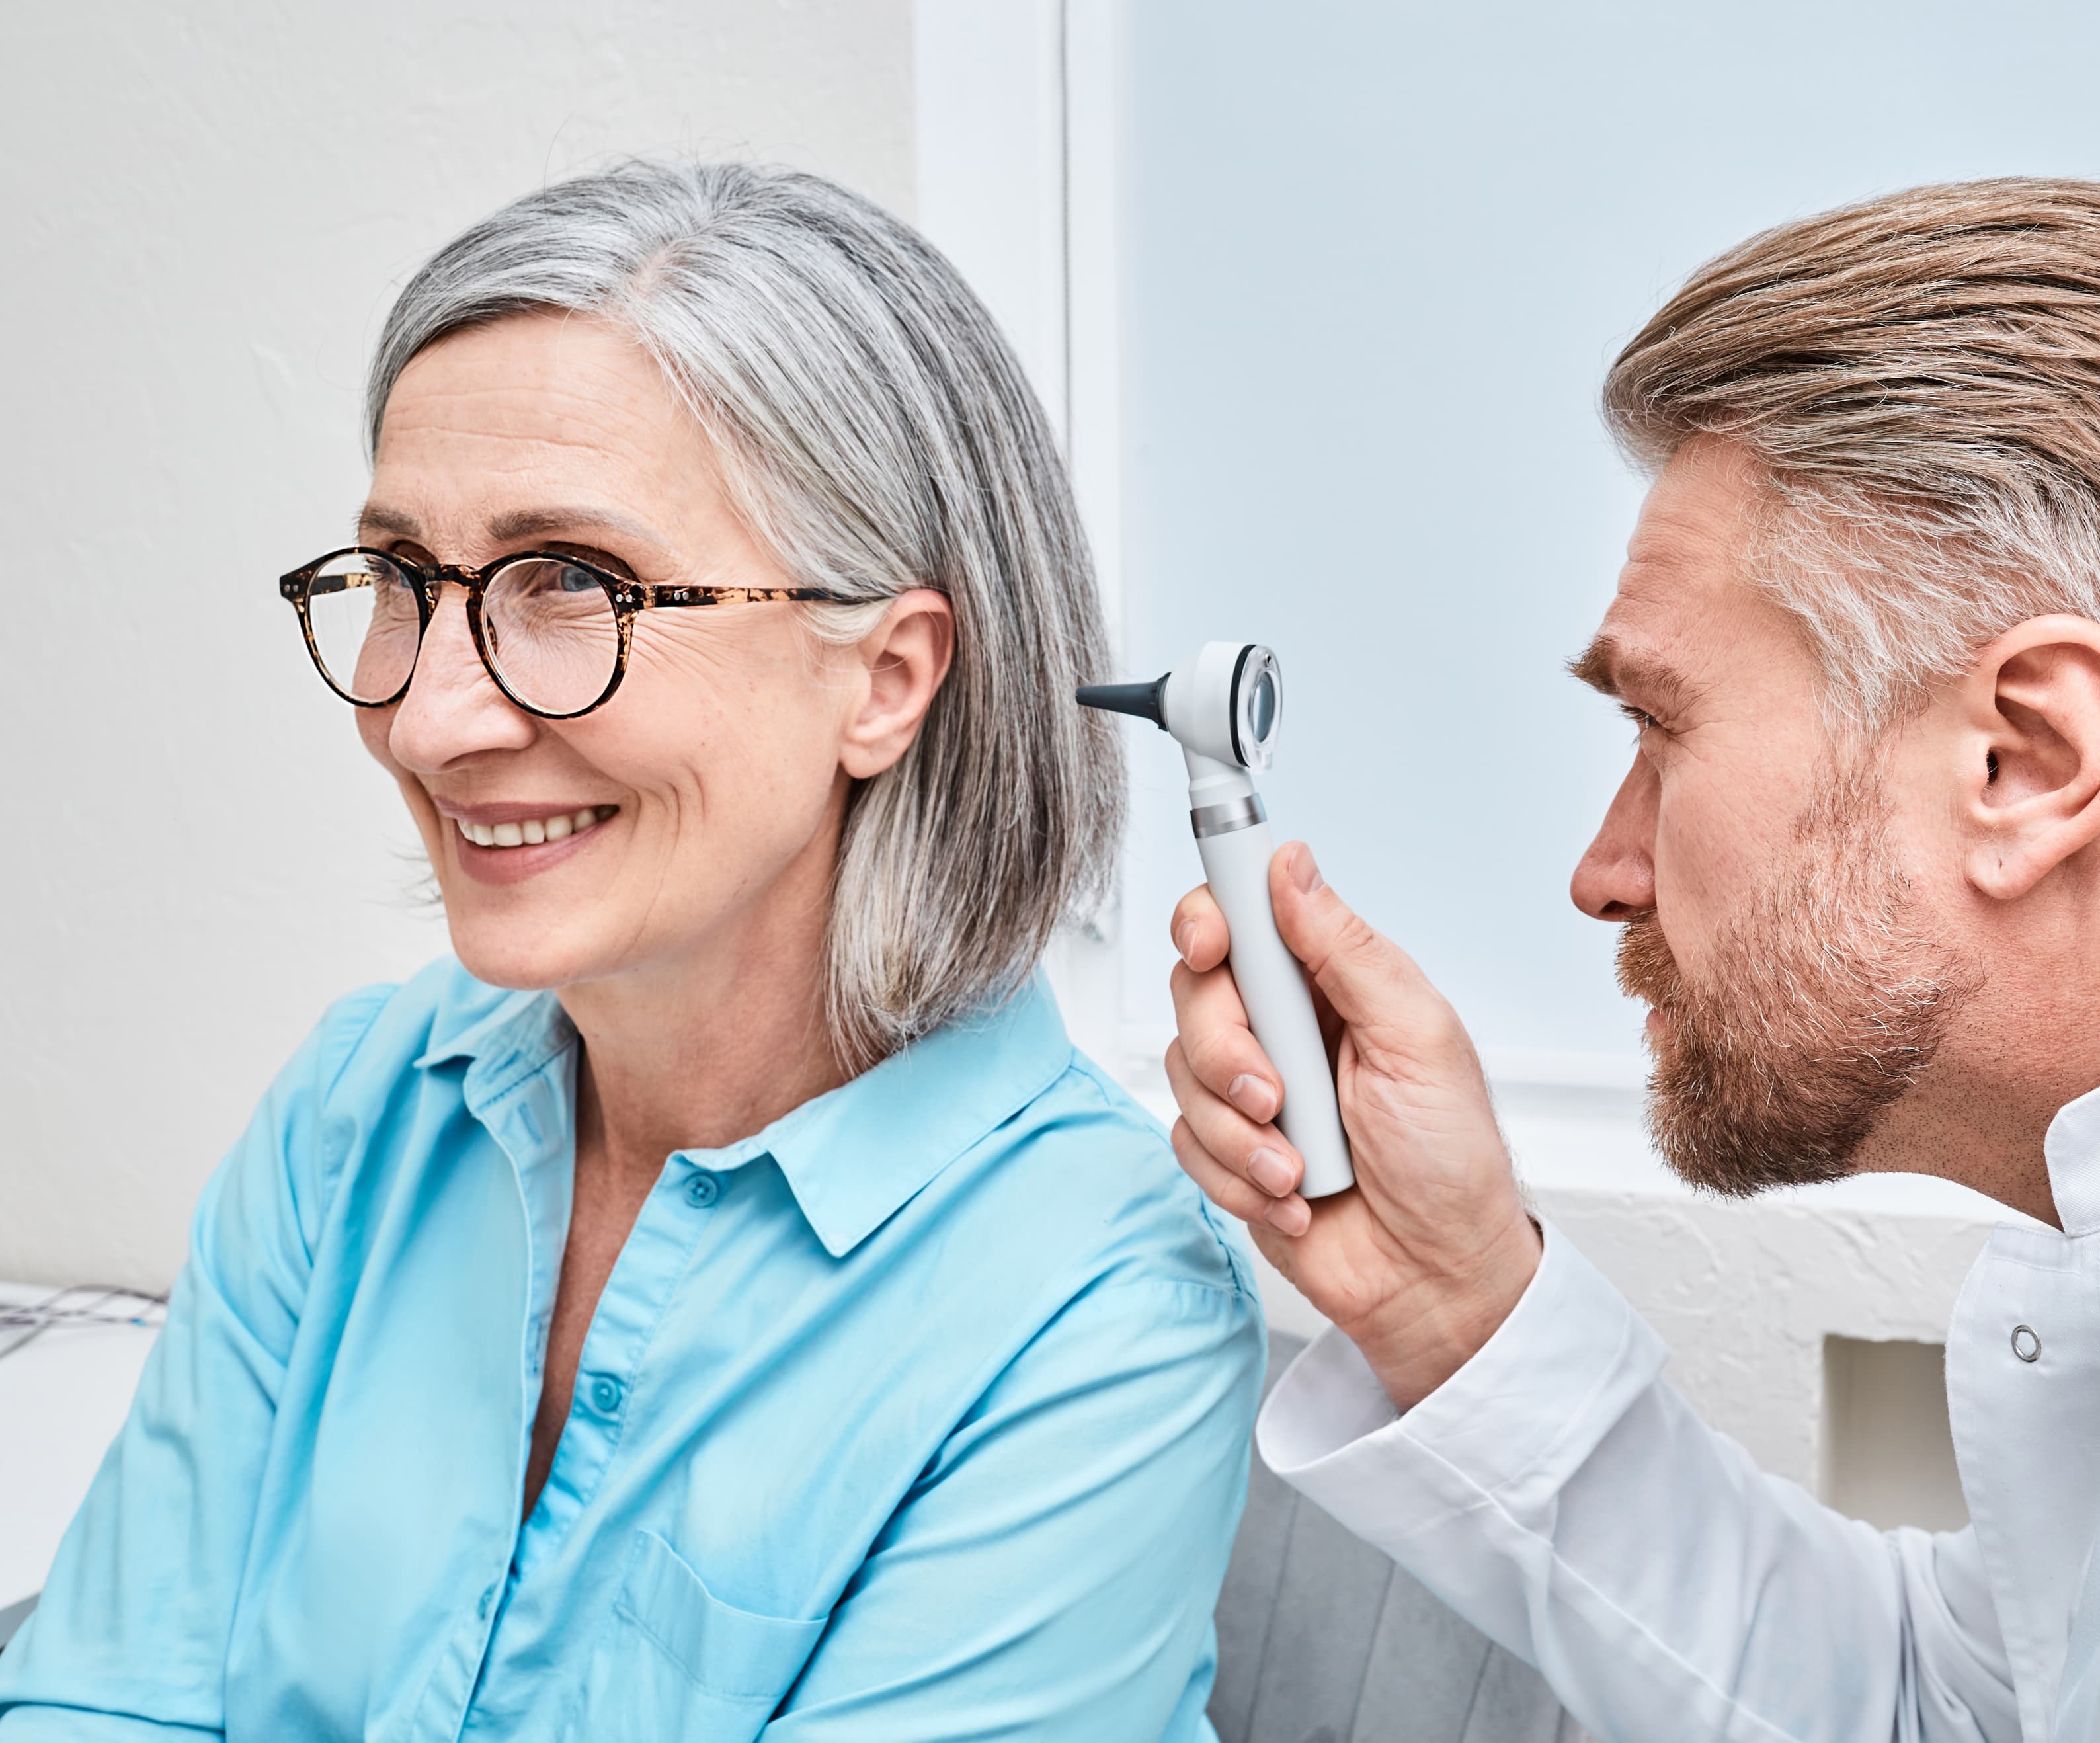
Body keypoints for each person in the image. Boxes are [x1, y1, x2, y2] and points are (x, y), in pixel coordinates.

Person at [1163, 179, 2100, 1741]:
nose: (1605, 875)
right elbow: (1934, 1713)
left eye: (1660, 728)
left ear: (2029, 759)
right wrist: (1452, 1303)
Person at [0, 161, 1262, 1740]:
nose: (428, 717)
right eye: (401, 581)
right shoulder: (357, 1110)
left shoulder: (1097, 1311)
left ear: (885, 676)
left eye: (569, 586)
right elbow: (103, 1704)